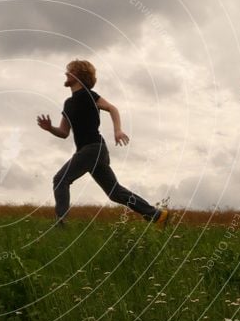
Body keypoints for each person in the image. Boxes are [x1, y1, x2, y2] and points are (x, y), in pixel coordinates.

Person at [37, 59, 169, 227]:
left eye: (69, 71)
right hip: (88, 151)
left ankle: (60, 223)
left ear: (78, 75)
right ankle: (157, 215)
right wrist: (50, 128)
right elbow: (63, 133)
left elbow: (112, 109)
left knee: (60, 179)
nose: (65, 73)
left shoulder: (89, 95)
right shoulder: (68, 103)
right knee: (114, 192)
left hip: (94, 148)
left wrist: (118, 130)